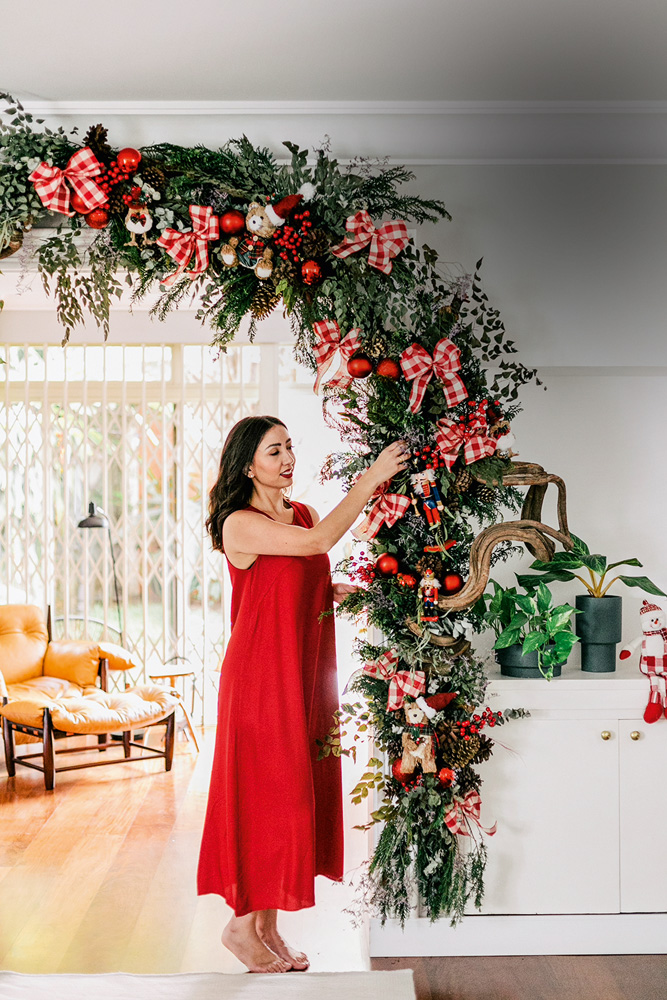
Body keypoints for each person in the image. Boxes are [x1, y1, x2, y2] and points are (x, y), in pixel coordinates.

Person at [197, 414, 408, 974]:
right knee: (272, 800)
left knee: (292, 799)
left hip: (302, 676)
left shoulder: (303, 513)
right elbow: (312, 544)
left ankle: (267, 927)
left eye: (289, 447)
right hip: (260, 683)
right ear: (247, 465)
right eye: (274, 451)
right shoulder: (237, 524)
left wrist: (327, 587)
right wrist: (369, 482)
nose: (288, 458)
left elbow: (298, 569)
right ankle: (241, 926)